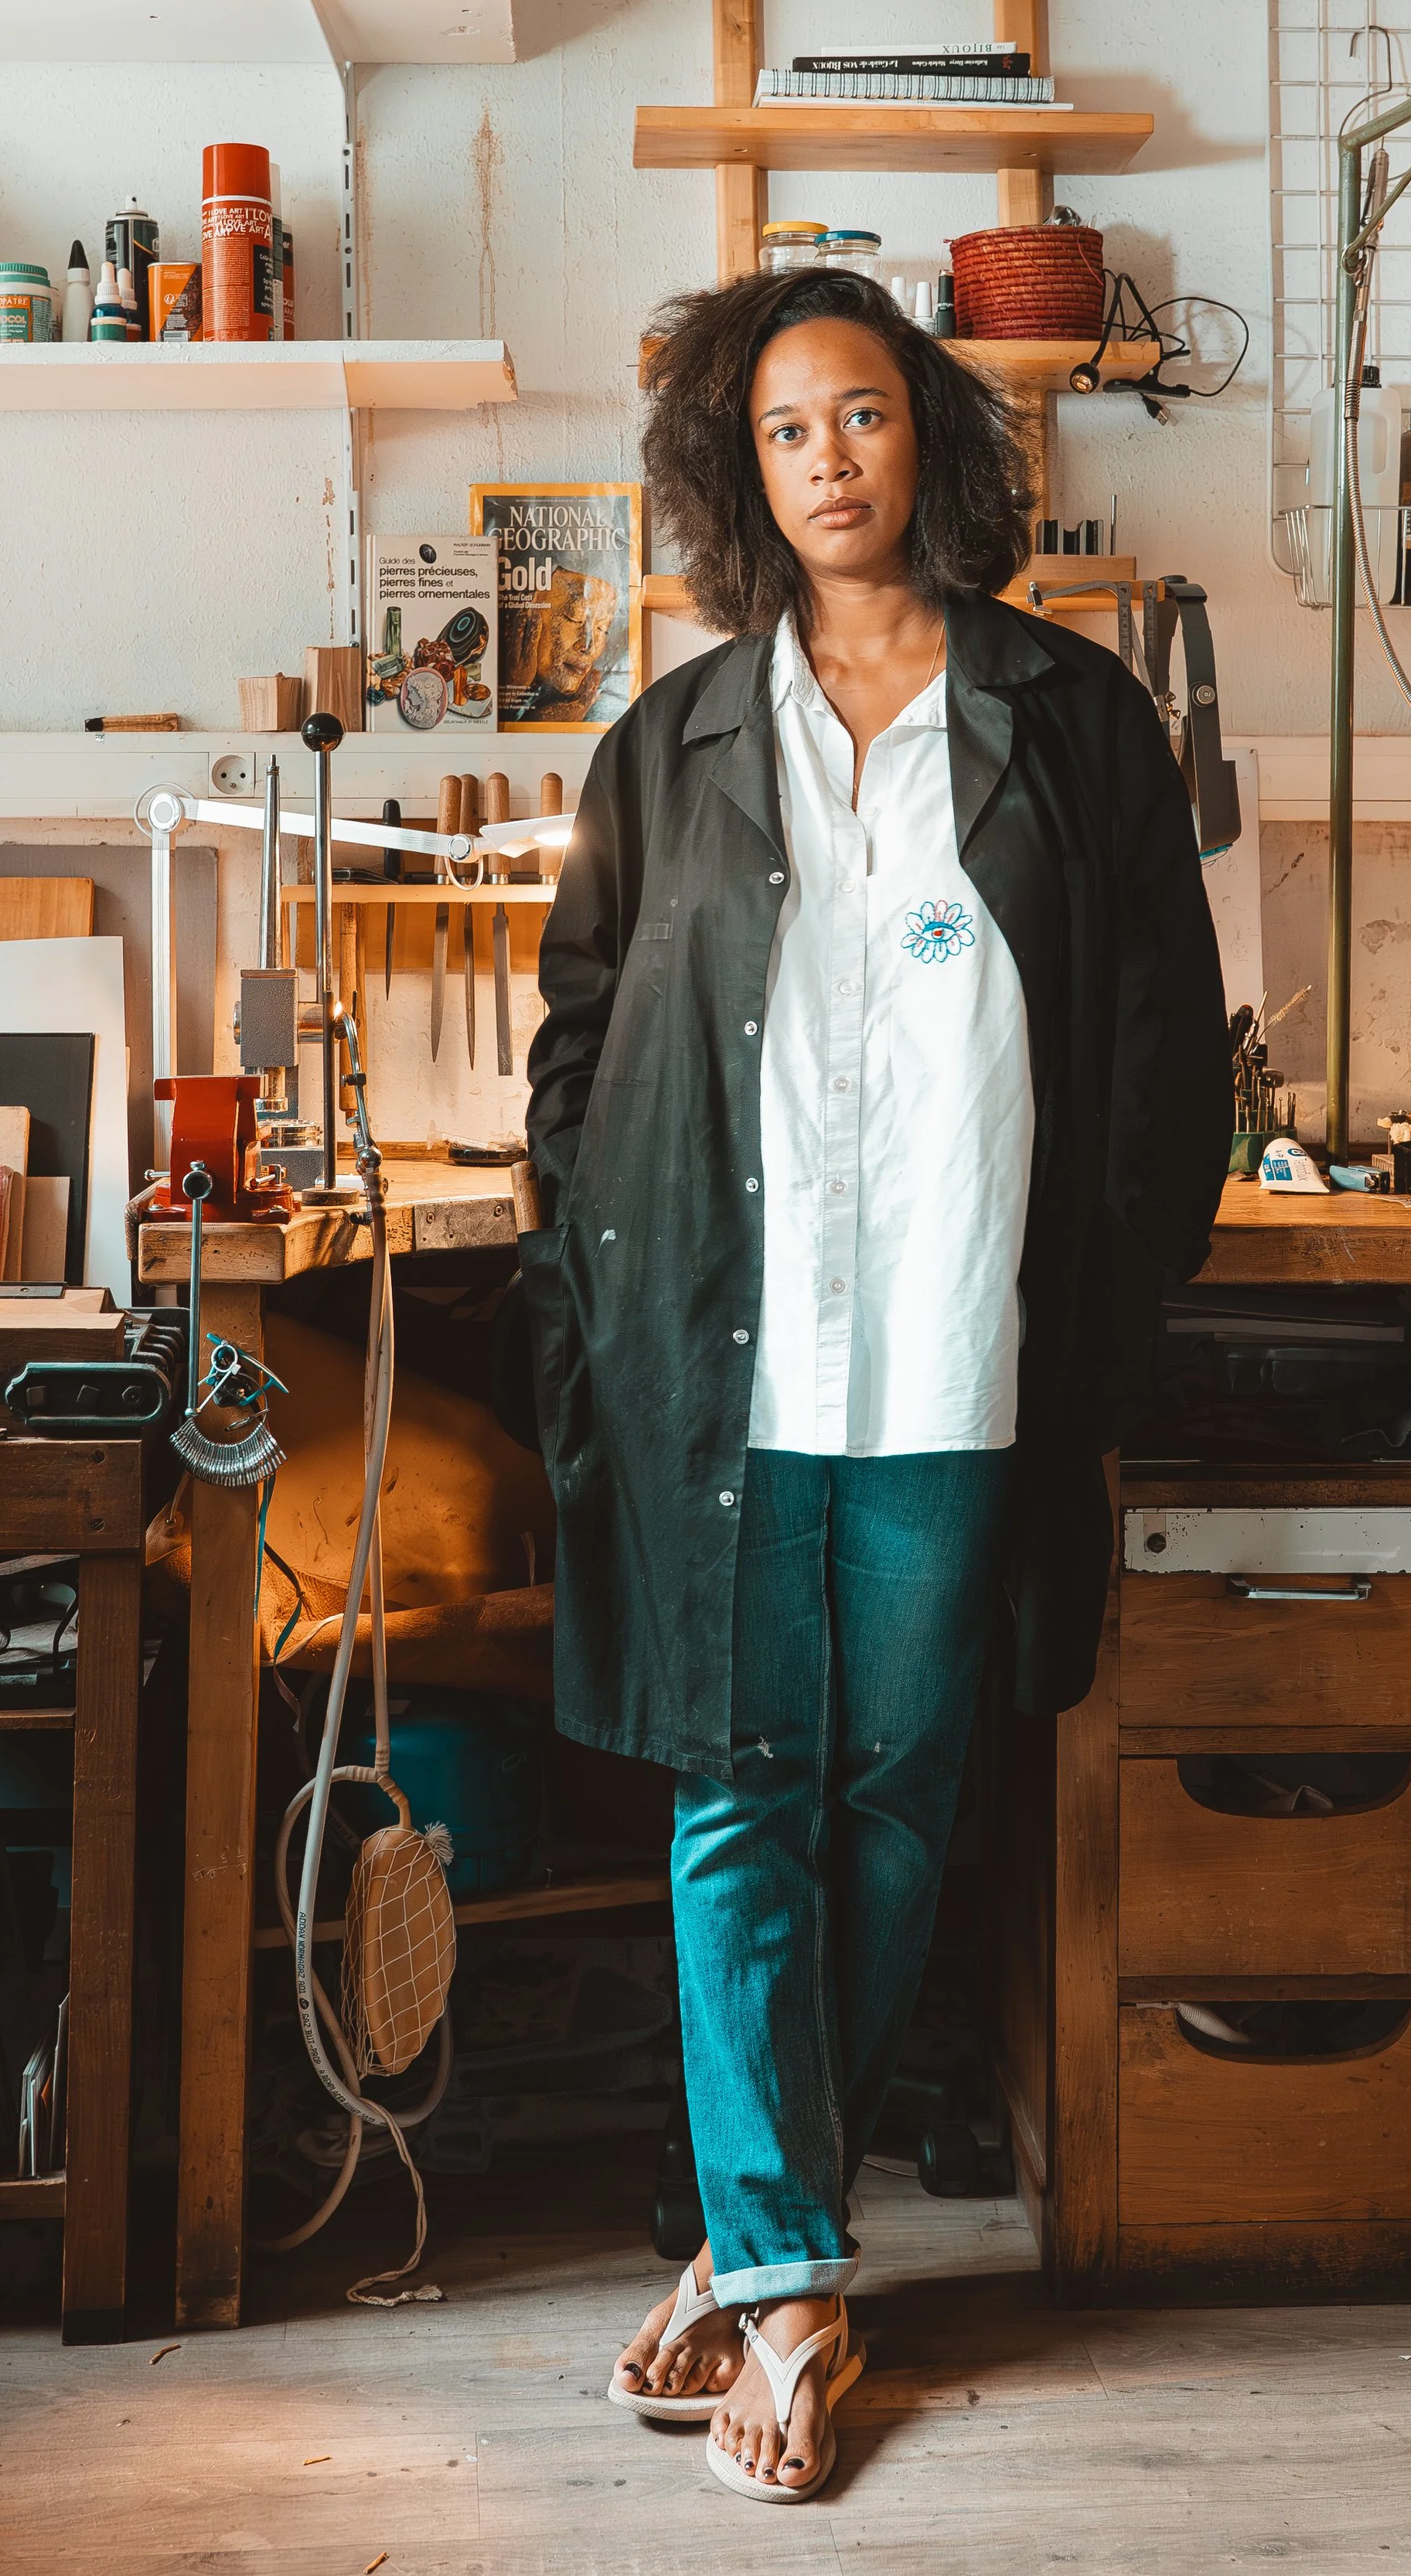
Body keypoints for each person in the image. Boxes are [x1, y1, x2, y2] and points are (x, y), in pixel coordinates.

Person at [520, 267, 1229, 2503]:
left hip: (954, 1346)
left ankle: (754, 2250)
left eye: (859, 413)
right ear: (741, 480)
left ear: (925, 431)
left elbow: (1154, 1057)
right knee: (741, 1794)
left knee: (896, 1796)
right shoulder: (674, 738)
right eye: (782, 432)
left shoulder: (1069, 718)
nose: (827, 459)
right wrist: (591, 1286)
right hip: (730, 1364)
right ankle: (793, 2279)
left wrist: (1105, 1322)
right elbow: (574, 1052)